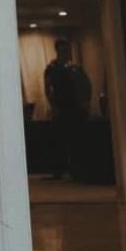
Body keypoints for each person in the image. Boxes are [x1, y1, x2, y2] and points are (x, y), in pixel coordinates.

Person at [44, 37, 92, 179]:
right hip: (61, 106)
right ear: (58, 51)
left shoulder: (75, 68)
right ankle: (60, 169)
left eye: (67, 50)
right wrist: (53, 105)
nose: (66, 52)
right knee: (60, 139)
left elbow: (85, 85)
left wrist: (85, 102)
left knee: (77, 139)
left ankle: (77, 169)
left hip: (75, 107)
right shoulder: (52, 68)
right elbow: (47, 88)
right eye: (63, 50)